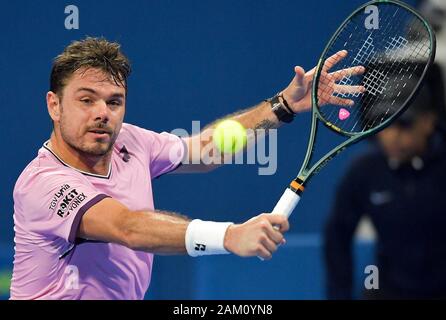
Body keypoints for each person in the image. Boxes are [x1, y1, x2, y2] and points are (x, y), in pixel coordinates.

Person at [10, 37, 361, 300]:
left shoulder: (129, 140)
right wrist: (229, 235)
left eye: (114, 101)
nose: (102, 112)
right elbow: (127, 227)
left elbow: (206, 150)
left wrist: (281, 106)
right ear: (54, 105)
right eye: (86, 100)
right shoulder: (41, 184)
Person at [324, 63, 446, 300]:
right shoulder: (364, 172)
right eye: (384, 122)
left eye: (404, 123)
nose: (391, 135)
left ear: (429, 121)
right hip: (389, 292)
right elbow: (337, 238)